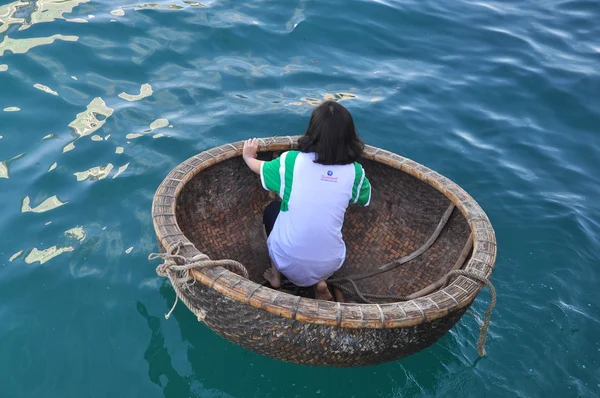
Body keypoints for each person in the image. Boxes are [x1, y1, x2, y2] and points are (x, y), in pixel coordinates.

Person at [242, 101, 371, 300]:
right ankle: (320, 282)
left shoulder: (291, 161)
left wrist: (248, 156)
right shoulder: (356, 172)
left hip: (288, 261)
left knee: (272, 210)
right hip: (331, 263)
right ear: (349, 137)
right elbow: (364, 198)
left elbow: (257, 167)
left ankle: (276, 275)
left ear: (312, 131)